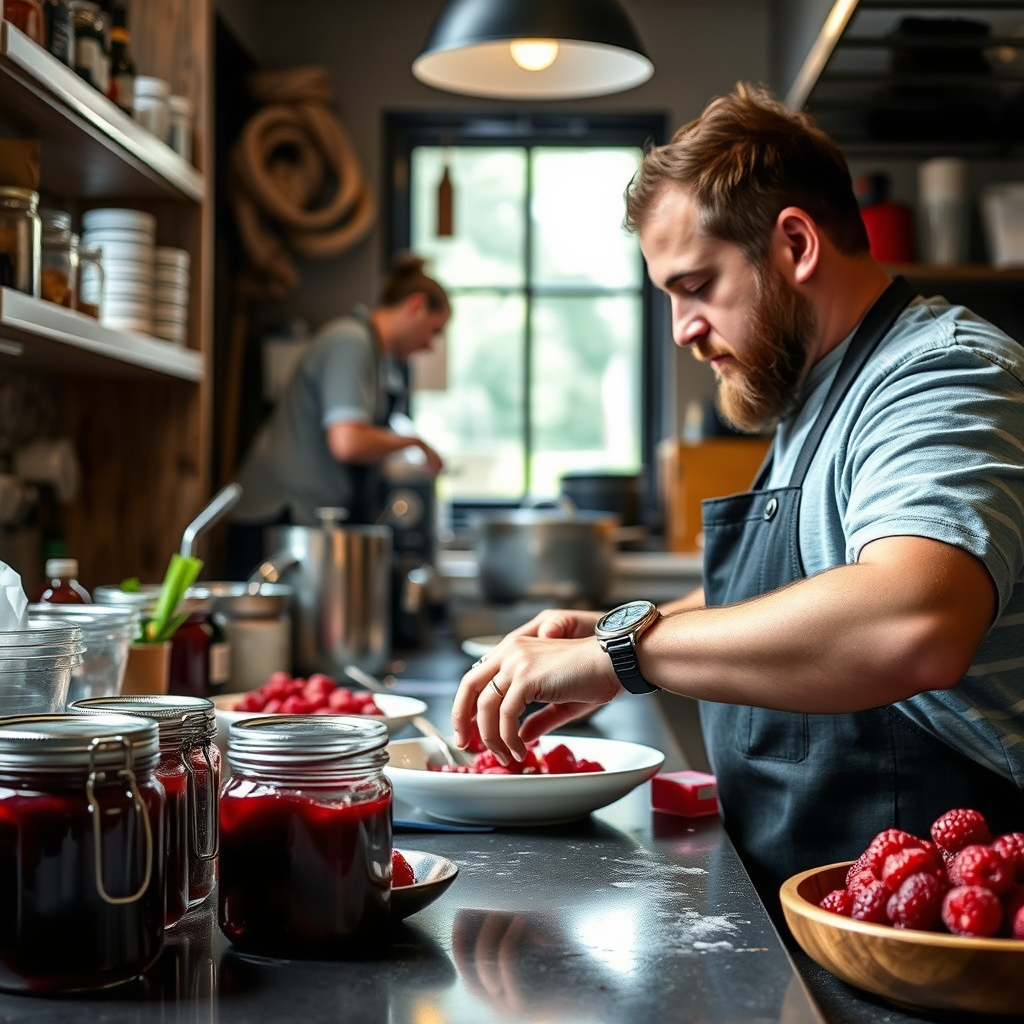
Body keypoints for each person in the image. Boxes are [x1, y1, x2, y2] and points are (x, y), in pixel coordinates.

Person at [451, 82, 1024, 910]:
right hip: (812, 895)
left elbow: (912, 620)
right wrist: (629, 627)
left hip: (933, 926)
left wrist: (624, 654)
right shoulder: (814, 392)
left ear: (795, 243)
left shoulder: (943, 373)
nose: (682, 328)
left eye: (696, 286)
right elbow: (791, 596)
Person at [225, 254, 449, 579]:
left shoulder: (372, 355)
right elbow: (347, 442)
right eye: (434, 330)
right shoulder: (351, 342)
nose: (431, 345)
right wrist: (415, 443)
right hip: (277, 519)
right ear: (415, 306)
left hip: (299, 518)